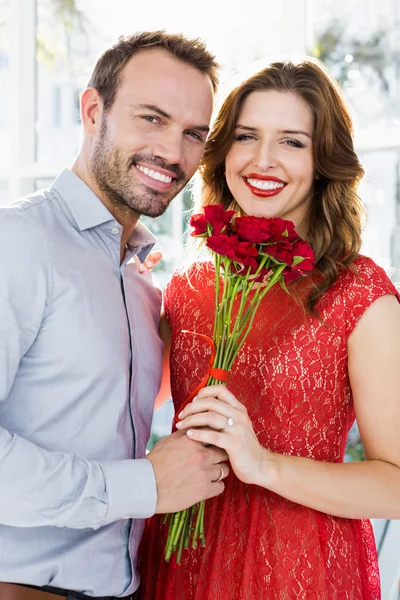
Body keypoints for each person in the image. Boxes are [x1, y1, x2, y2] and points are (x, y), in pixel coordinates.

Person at [138, 57, 400, 599]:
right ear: (222, 152)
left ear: (325, 160)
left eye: (292, 142)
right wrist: (116, 288)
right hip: (181, 556)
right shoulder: (187, 286)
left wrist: (264, 466)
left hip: (300, 571)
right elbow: (124, 406)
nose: (263, 159)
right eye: (246, 136)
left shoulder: (359, 293)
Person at [0, 30, 230, 600]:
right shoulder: (18, 243)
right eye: (151, 119)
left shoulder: (142, 280)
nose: (173, 154)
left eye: (192, 134)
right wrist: (142, 485)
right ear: (92, 110)